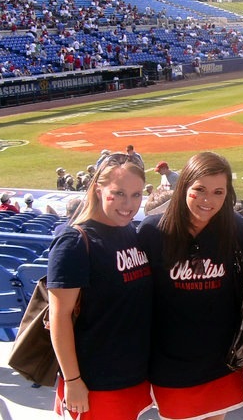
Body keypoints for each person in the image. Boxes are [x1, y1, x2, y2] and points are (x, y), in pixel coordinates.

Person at [137, 151, 243, 420]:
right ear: (184, 185)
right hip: (171, 362)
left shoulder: (236, 229)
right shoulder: (152, 232)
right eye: (199, 189)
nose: (208, 200)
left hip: (222, 360)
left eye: (218, 192)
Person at [47, 152, 153, 420]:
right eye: (118, 193)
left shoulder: (129, 231)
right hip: (96, 380)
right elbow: (59, 318)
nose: (128, 204)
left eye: (136, 195)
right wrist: (73, 381)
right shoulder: (74, 242)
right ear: (97, 189)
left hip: (133, 373)